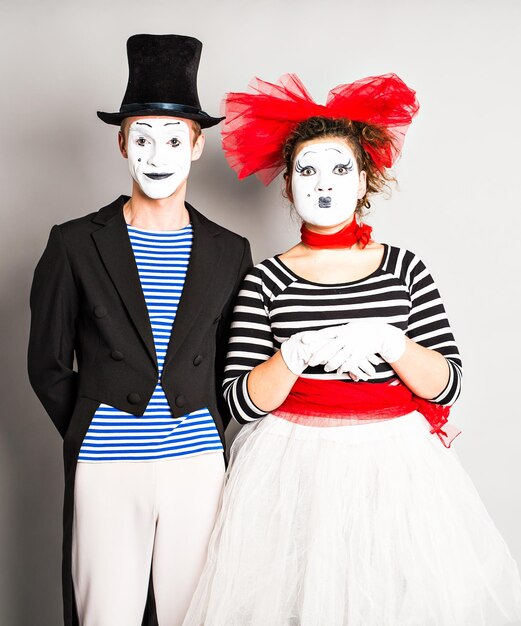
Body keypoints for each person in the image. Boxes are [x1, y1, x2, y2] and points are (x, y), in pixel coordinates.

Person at [182, 73, 521, 625]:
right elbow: (239, 404)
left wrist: (389, 342)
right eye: (307, 170)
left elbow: (449, 383)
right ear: (288, 185)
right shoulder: (264, 280)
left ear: (365, 180)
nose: (323, 184)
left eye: (340, 169)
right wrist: (297, 352)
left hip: (396, 468)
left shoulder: (405, 268)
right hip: (290, 470)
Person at [27, 34, 252, 626]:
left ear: (197, 145)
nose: (158, 154)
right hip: (105, 462)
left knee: (196, 613)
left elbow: (236, 357)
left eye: (174, 138)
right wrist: (95, 421)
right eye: (143, 137)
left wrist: (202, 419)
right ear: (121, 143)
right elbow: (47, 364)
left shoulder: (229, 252)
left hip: (199, 464)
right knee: (105, 614)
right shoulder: (74, 242)